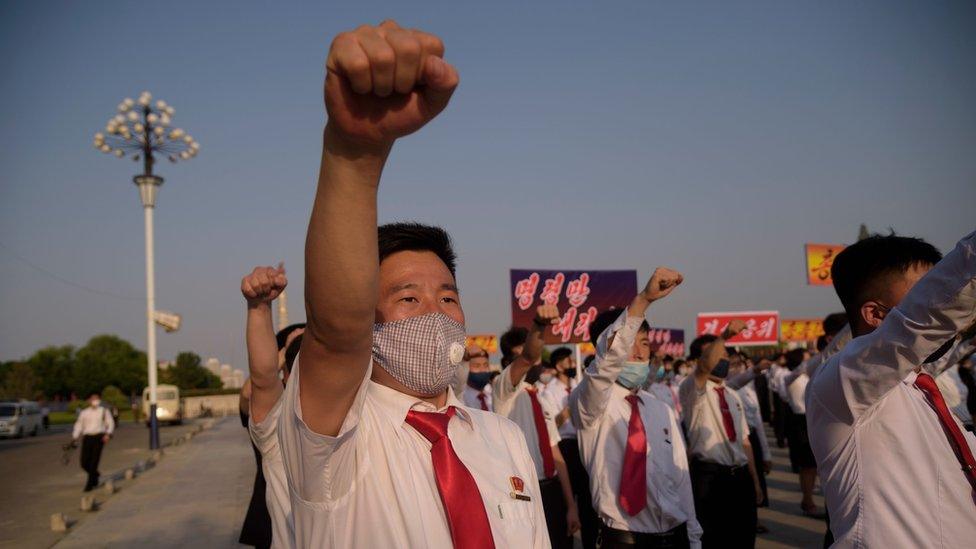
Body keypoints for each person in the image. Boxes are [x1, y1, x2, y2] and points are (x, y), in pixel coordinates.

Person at [257, 21, 548, 548]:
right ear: (367, 320)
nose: (436, 313)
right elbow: (334, 332)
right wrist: (355, 153)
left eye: (448, 296)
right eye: (408, 297)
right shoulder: (333, 437)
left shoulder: (501, 437)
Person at [806, 230, 976, 547]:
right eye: (926, 291)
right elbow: (928, 317)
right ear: (875, 314)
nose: (937, 299)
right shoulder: (843, 382)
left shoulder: (920, 388)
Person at [570, 268, 701, 548]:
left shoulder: (660, 408)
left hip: (675, 535)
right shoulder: (590, 403)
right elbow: (607, 363)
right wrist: (643, 300)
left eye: (644, 343)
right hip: (623, 539)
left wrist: (693, 536)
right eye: (630, 344)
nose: (640, 353)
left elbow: (681, 479)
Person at [493, 306, 581, 548]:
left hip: (552, 492)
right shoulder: (504, 390)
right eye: (520, 357)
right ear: (509, 362)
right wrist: (540, 325)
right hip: (523, 493)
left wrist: (571, 505)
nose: (531, 362)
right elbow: (528, 357)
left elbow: (555, 452)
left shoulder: (539, 397)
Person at [680, 324, 763, 549]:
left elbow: (744, 441)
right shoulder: (692, 390)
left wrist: (754, 481)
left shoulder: (733, 395)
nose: (723, 358)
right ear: (700, 360)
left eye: (726, 354)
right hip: (710, 477)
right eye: (718, 353)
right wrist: (724, 335)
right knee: (715, 540)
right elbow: (705, 366)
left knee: (743, 537)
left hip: (740, 477)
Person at [241, 264, 304, 548]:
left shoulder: (365, 423)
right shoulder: (278, 431)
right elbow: (263, 377)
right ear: (286, 375)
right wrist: (259, 307)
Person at [541, 347, 599, 549]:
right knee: (567, 499)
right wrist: (567, 410)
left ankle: (590, 540)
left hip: (584, 443)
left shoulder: (579, 385)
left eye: (573, 361)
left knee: (588, 498)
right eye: (568, 361)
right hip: (565, 447)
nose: (572, 364)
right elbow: (552, 426)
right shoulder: (549, 393)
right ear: (558, 366)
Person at [724, 354, 772, 530]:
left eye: (740, 364)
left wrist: (766, 453)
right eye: (733, 364)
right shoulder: (727, 387)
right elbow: (739, 380)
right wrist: (756, 369)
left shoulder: (750, 389)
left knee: (755, 478)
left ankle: (754, 517)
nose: (738, 367)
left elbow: (758, 422)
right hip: (733, 440)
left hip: (751, 438)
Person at [780, 348, 823, 518]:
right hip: (799, 422)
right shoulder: (790, 378)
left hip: (812, 419)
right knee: (807, 466)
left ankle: (809, 498)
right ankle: (807, 500)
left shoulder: (809, 376)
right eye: (806, 358)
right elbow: (801, 369)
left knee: (814, 465)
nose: (810, 359)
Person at [72, 392, 115, 492]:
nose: (95, 401)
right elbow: (79, 425)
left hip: (99, 437)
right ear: (89, 400)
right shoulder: (84, 413)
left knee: (94, 461)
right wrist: (75, 437)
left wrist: (108, 434)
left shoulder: (104, 411)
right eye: (93, 399)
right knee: (84, 462)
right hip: (87, 437)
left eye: (97, 399)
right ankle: (95, 474)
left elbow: (110, 423)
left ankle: (90, 483)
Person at [460, 345, 494, 411]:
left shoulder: (494, 392)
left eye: (485, 365)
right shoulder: (460, 397)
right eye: (476, 366)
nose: (482, 370)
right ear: (466, 369)